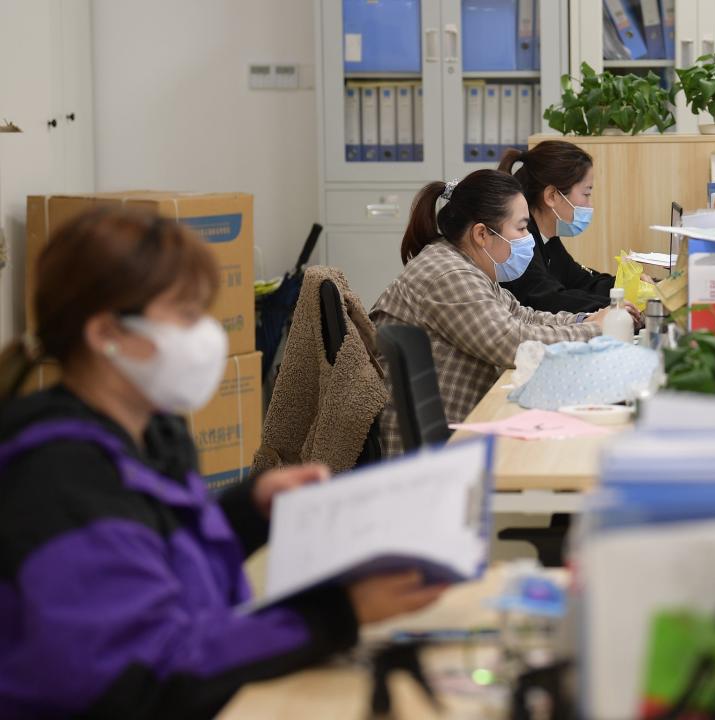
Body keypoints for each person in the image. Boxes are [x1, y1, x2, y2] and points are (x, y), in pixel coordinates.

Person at [0, 208, 445, 719]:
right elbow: (147, 676)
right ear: (106, 333)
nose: (207, 334)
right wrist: (338, 615)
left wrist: (248, 513)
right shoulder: (58, 476)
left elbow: (167, 575)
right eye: (186, 316)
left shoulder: (151, 434)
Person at [371, 169, 608, 457]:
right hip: (438, 449)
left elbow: (523, 316)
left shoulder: (468, 265)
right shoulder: (449, 274)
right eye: (521, 229)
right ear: (482, 233)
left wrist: (585, 320)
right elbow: (511, 343)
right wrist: (597, 330)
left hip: (458, 427)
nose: (527, 239)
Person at [498, 140, 617, 313]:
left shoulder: (548, 239)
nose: (590, 206)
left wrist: (629, 285)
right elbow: (549, 300)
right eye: (586, 193)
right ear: (552, 195)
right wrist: (618, 307)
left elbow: (581, 280)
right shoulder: (519, 243)